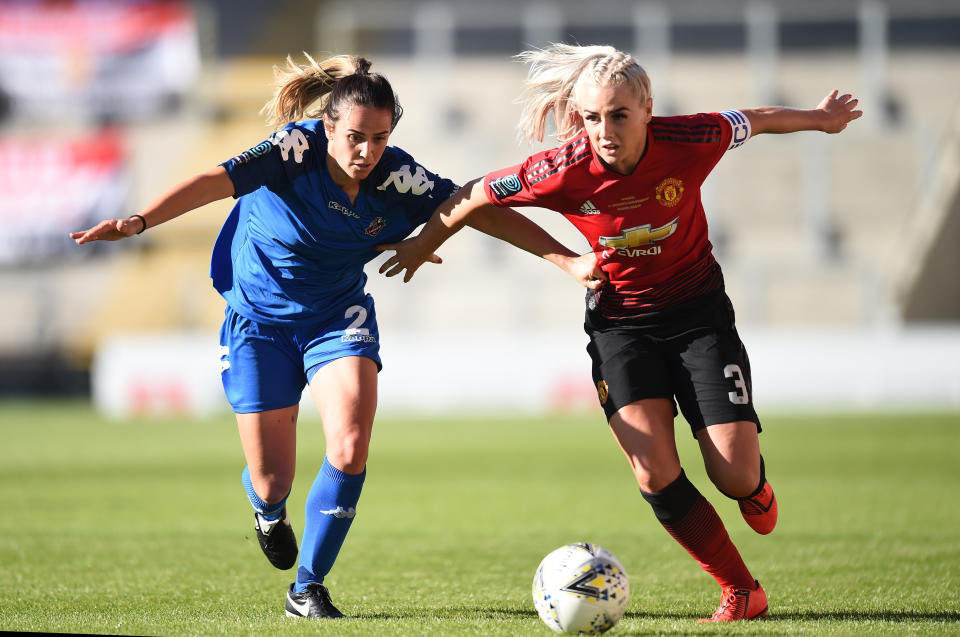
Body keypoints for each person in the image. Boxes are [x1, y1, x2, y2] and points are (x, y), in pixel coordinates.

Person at [71, 53, 599, 619]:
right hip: (257, 322)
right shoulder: (290, 152)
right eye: (354, 136)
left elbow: (475, 205)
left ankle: (307, 588)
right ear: (327, 128)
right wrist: (140, 221)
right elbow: (214, 182)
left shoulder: (398, 177)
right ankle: (268, 512)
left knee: (349, 445)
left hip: (335, 317)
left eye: (379, 137)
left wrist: (567, 261)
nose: (367, 151)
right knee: (273, 481)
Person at [377, 43, 862, 623]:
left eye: (618, 115)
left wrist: (821, 119)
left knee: (733, 475)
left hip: (699, 317)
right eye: (589, 117)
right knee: (654, 471)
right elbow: (476, 195)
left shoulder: (691, 139)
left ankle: (753, 486)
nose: (603, 131)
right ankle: (740, 589)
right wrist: (435, 246)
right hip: (619, 325)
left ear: (647, 109)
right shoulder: (560, 168)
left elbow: (754, 120)